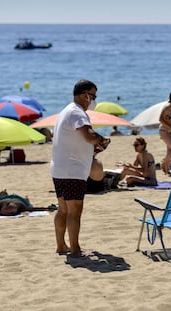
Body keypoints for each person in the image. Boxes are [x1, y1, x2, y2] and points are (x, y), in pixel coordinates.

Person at [50, 79, 110, 257]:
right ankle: (75, 248)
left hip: (59, 168)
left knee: (63, 209)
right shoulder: (78, 112)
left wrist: (93, 147)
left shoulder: (66, 111)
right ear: (85, 95)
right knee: (75, 211)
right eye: (93, 96)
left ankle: (61, 245)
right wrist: (101, 140)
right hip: (72, 171)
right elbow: (89, 135)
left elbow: (77, 141)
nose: (94, 100)